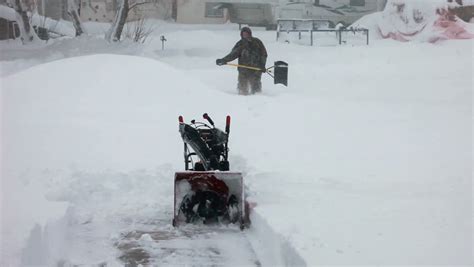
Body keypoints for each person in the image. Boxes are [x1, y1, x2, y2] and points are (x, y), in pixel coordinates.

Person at [216, 27, 268, 95]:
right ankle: (242, 99)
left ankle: (257, 99)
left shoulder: (257, 42)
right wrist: (224, 60)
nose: (245, 35)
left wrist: (262, 65)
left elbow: (264, 54)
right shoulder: (240, 44)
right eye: (243, 34)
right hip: (243, 70)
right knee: (242, 87)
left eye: (246, 34)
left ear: (250, 34)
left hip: (256, 69)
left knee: (256, 87)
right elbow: (233, 54)